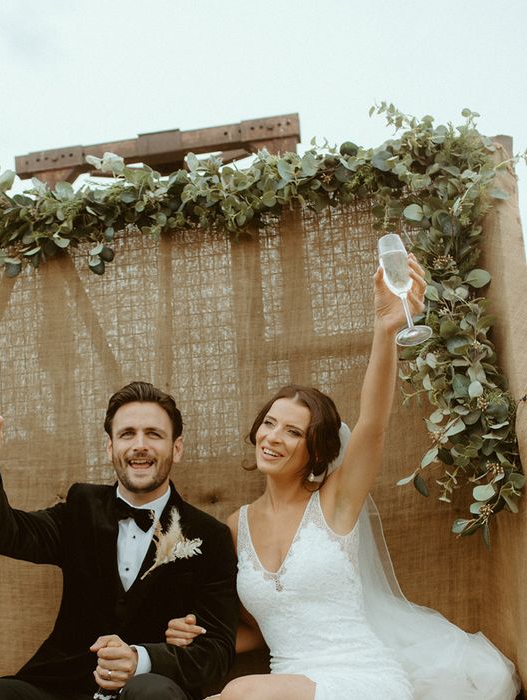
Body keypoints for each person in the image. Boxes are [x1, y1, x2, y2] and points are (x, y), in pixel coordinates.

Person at [165, 257, 520, 699]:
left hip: (363, 677)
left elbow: (372, 423)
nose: (273, 438)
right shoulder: (236, 528)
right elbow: (258, 629)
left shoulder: (335, 501)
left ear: (316, 450)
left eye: (293, 431)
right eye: (270, 423)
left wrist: (385, 328)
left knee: (238, 693)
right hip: (288, 681)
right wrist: (195, 638)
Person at [0, 381, 239, 700]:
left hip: (148, 688)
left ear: (177, 448)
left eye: (153, 434)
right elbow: (4, 533)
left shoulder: (211, 536)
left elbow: (216, 653)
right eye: (127, 434)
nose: (139, 445)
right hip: (61, 686)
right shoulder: (80, 506)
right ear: (110, 447)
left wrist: (142, 659)